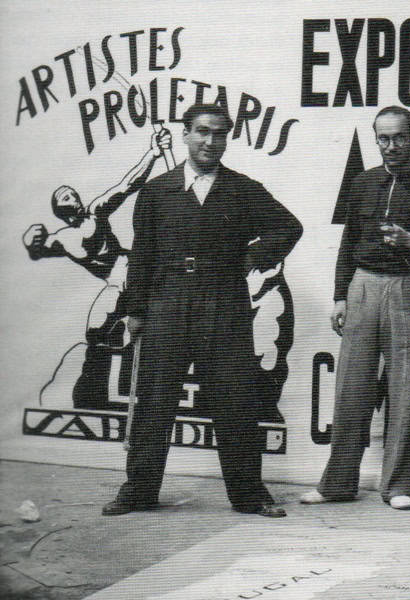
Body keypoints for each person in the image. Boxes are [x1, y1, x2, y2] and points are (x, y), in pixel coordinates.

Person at [102, 103, 303, 518]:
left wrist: (255, 254)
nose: (210, 141)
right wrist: (136, 311)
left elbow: (289, 226)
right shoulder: (157, 191)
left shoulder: (242, 189)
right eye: (202, 132)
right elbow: (142, 255)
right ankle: (138, 490)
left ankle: (249, 494)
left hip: (223, 302)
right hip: (167, 302)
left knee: (235, 400)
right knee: (155, 401)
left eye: (219, 134)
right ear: (185, 133)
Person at [300, 106, 410, 510]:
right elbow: (347, 244)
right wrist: (340, 294)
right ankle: (337, 483)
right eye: (383, 139)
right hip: (362, 286)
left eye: (399, 138)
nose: (391, 147)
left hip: (408, 290)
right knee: (351, 387)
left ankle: (398, 485)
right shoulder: (361, 183)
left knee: (405, 390)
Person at [23, 129, 172, 410]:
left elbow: (127, 184)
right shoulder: (61, 239)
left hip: (131, 270)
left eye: (73, 192)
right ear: (60, 208)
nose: (74, 196)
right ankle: (102, 387)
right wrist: (31, 240)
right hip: (114, 283)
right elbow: (36, 250)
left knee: (135, 324)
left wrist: (153, 153)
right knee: (96, 332)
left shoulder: (96, 213)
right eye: (66, 196)